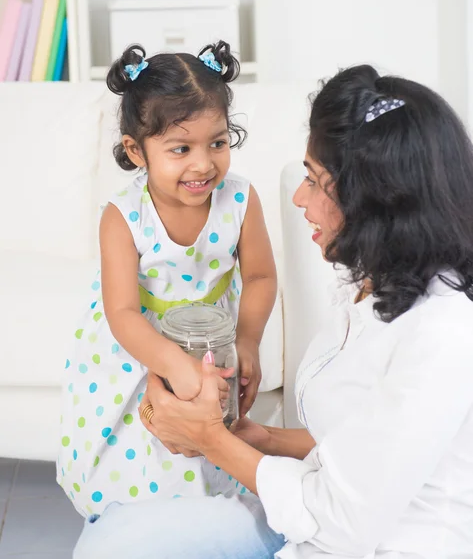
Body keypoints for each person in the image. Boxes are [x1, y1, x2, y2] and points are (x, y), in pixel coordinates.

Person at [138, 64, 473, 558]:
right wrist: (261, 438)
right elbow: (358, 449)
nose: (299, 198)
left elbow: (337, 521)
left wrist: (210, 440)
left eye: (317, 182)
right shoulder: (372, 286)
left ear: (378, 201)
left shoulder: (444, 333)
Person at [57, 40, 282, 558]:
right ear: (137, 150)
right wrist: (172, 365)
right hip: (141, 348)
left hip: (214, 340)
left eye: (218, 143)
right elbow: (121, 312)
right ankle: (137, 529)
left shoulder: (241, 198)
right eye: (180, 149)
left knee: (212, 440)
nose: (203, 165)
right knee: (149, 447)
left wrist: (248, 341)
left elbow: (262, 276)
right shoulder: (123, 214)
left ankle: (208, 527)